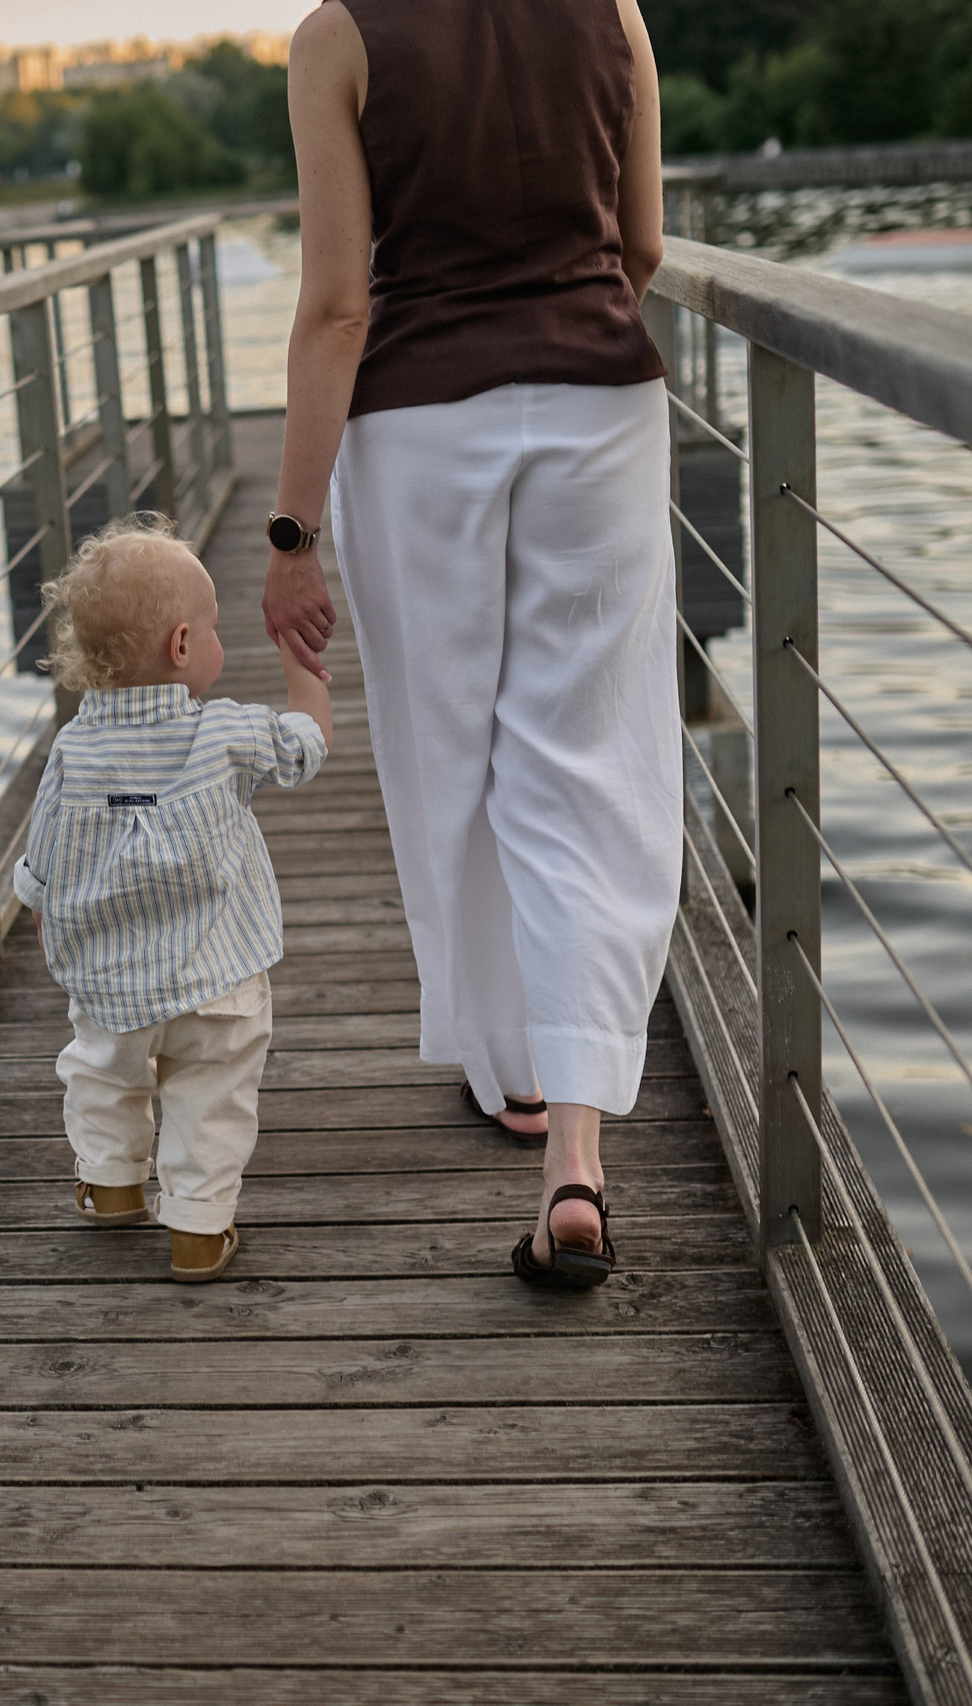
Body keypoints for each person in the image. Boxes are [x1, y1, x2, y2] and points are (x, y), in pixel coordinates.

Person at [263, 0, 679, 1289]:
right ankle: (572, 1150)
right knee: (587, 758)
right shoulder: (613, 13)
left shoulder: (339, 38)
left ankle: (508, 1065)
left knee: (455, 759)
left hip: (421, 424)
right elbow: (644, 242)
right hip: (601, 404)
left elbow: (337, 307)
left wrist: (291, 530)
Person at [13, 517, 333, 1282]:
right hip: (217, 977)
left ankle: (113, 1183)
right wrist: (303, 671)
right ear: (183, 647)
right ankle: (196, 1227)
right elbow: (306, 745)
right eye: (216, 630)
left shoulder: (72, 751)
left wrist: (42, 916)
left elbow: (44, 857)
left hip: (111, 980)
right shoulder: (226, 736)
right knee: (212, 1095)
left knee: (102, 1074)